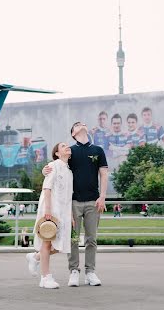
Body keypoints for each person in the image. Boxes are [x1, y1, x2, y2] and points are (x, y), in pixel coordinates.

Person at [43, 121, 108, 287]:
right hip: (73, 202)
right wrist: (45, 169)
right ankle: (73, 271)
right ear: (73, 133)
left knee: (91, 239)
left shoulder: (98, 150)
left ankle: (90, 272)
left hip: (93, 201)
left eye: (83, 123)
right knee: (72, 238)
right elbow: (58, 166)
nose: (82, 124)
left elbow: (104, 174)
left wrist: (102, 197)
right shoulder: (70, 152)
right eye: (77, 124)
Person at [26, 142, 73, 289]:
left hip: (63, 212)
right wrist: (48, 209)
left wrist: (70, 215)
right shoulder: (53, 165)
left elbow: (68, 196)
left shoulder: (69, 171)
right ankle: (45, 277)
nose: (67, 147)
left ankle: (36, 257)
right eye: (63, 146)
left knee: (60, 245)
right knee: (47, 242)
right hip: (51, 209)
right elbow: (47, 188)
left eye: (68, 145)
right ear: (57, 153)